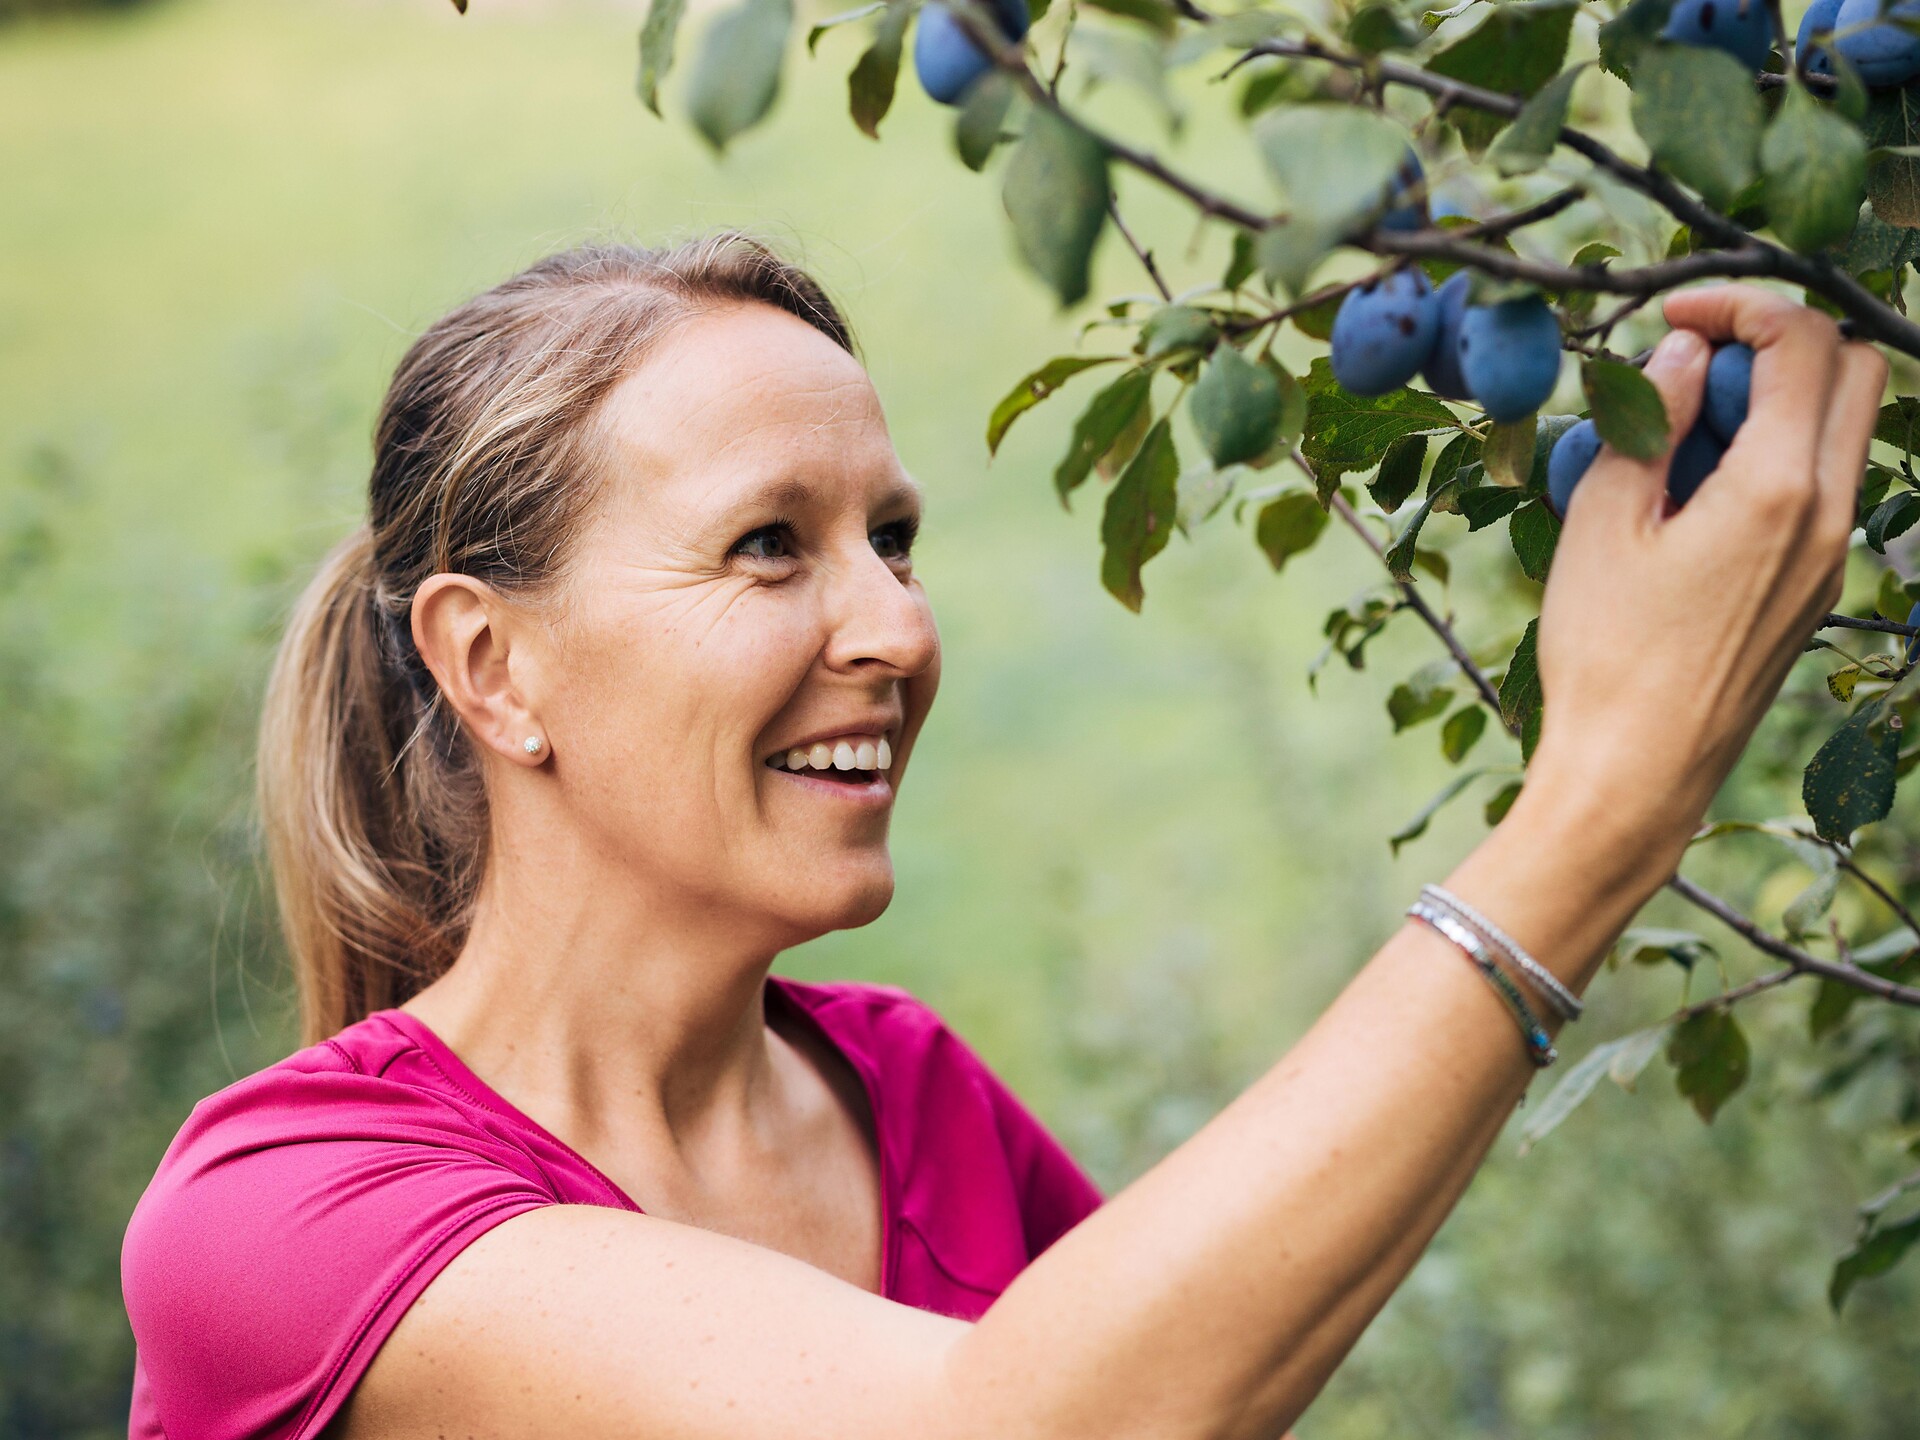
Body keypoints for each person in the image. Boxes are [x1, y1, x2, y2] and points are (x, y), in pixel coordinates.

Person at [118, 231, 1885, 1440]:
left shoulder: (906, 1097)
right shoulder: (282, 1222)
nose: (893, 626)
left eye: (894, 536)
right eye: (767, 545)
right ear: (493, 666)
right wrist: (1598, 809)